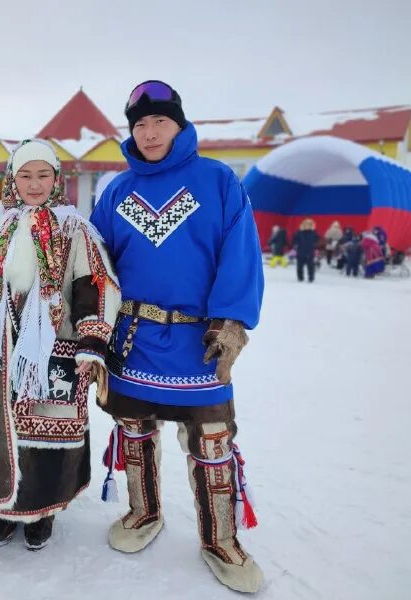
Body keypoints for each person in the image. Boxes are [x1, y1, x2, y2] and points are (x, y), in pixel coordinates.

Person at [90, 80, 265, 594]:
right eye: (139, 124)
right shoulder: (117, 191)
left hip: (198, 342)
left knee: (212, 441)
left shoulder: (217, 182)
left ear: (180, 124)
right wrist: (93, 325)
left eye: (159, 122)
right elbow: (96, 265)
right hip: (134, 339)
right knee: (135, 431)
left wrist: (231, 321)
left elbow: (241, 253)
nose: (149, 132)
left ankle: (220, 539)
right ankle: (144, 514)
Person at [0, 139, 119, 550]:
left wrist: (92, 344)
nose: (34, 184)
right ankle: (4, 508)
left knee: (46, 429)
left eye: (43, 175)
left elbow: (89, 283)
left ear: (57, 179)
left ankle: (42, 511)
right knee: (0, 428)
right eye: (25, 175)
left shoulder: (74, 227)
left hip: (56, 348)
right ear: (12, 179)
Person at [291, 218, 319, 283]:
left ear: (311, 225)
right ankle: (300, 277)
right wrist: (295, 244)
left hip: (310, 252)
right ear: (303, 225)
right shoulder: (298, 232)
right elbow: (294, 240)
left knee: (311, 266)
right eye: (306, 224)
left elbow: (318, 240)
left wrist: (316, 245)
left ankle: (311, 278)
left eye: (309, 224)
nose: (307, 226)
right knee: (299, 266)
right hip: (300, 252)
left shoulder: (314, 233)